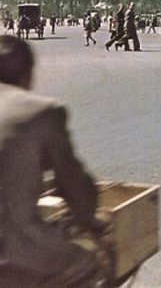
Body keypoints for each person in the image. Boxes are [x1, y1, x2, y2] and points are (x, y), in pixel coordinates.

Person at [0, 36, 107, 287]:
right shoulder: (41, 112)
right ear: (28, 75)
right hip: (11, 248)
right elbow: (73, 184)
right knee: (90, 262)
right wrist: (88, 220)